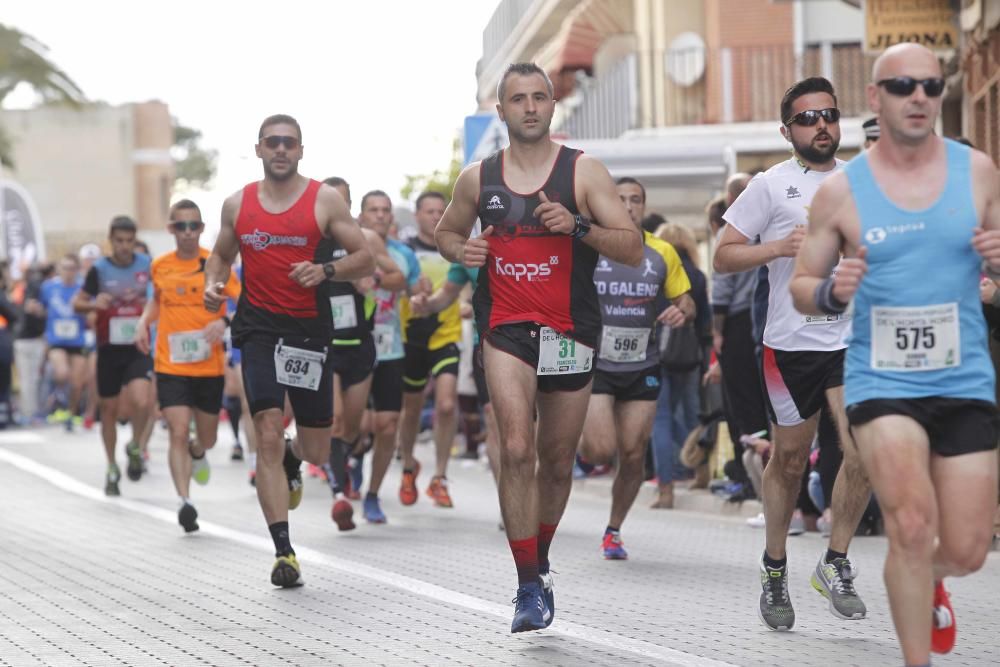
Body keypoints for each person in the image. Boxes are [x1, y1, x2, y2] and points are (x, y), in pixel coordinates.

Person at [790, 43, 1000, 665]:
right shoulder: (841, 192)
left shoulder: (979, 172)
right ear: (876, 97)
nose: (919, 97)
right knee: (908, 524)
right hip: (881, 379)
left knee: (967, 548)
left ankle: (930, 577)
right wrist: (830, 290)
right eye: (904, 85)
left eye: (932, 87)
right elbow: (803, 285)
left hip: (962, 378)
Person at [434, 62, 643, 633]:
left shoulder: (584, 172)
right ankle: (527, 584)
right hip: (505, 325)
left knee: (556, 460)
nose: (529, 107)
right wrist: (462, 250)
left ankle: (540, 559)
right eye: (517, 99)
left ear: (553, 107)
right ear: (500, 111)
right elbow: (446, 233)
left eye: (538, 97)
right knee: (517, 446)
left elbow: (632, 246)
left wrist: (577, 227)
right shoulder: (479, 179)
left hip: (571, 330)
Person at [714, 76, 871, 631]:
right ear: (787, 131)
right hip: (791, 344)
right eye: (807, 118)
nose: (821, 125)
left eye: (828, 114)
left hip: (852, 339)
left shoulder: (861, 179)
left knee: (865, 450)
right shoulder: (769, 186)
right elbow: (722, 257)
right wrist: (776, 247)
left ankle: (836, 561)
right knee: (787, 458)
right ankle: (775, 568)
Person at [204, 114, 374, 587]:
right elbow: (219, 255)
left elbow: (364, 257)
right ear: (258, 149)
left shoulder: (324, 199)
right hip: (257, 329)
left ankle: (298, 461)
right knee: (267, 433)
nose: (281, 150)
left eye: (289, 143)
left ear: (301, 150)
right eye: (272, 142)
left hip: (308, 332)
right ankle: (284, 551)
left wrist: (325, 273)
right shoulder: (238, 204)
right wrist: (213, 285)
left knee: (318, 444)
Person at [578, 177, 693, 559]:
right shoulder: (587, 247)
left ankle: (613, 530)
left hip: (642, 362)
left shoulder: (661, 252)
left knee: (632, 454)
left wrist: (682, 310)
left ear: (644, 206)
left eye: (635, 200)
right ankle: (566, 435)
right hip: (595, 364)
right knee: (599, 450)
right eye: (619, 199)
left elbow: (686, 300)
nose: (628, 206)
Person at [135, 199, 241, 533]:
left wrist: (224, 322)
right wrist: (143, 322)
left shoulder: (215, 264)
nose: (187, 232)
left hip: (209, 367)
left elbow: (246, 303)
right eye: (180, 226)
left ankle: (199, 451)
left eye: (193, 225)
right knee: (178, 432)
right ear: (171, 230)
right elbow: (157, 300)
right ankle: (185, 502)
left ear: (201, 228)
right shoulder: (160, 265)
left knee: (205, 439)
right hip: (171, 364)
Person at [320, 177, 404, 531]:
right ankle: (340, 496)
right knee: (336, 421)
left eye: (341, 202)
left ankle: (347, 469)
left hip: (361, 344)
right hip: (324, 344)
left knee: (354, 429)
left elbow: (397, 276)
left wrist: (373, 281)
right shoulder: (309, 241)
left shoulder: (365, 240)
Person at [356, 189, 424, 523]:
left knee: (387, 425)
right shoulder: (350, 246)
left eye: (385, 210)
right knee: (356, 425)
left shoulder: (403, 254)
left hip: (391, 347)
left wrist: (422, 295)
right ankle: (353, 459)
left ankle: (372, 493)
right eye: (373, 210)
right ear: (361, 215)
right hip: (352, 346)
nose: (381, 215)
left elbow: (415, 291)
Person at [73, 216, 154, 496]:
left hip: (137, 346)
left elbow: (158, 299)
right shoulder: (99, 269)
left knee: (142, 400)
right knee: (107, 410)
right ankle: (111, 465)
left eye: (129, 241)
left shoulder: (147, 266)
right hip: (108, 348)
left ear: (134, 240)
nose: (124, 246)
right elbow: (78, 302)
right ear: (111, 240)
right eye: (119, 241)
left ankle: (135, 446)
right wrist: (95, 303)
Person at [397, 190, 462, 508]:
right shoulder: (405, 250)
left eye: (441, 211)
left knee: (447, 405)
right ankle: (408, 465)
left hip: (446, 334)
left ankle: (440, 477)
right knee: (410, 408)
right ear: (418, 215)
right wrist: (410, 295)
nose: (436, 216)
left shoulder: (454, 247)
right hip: (411, 337)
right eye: (430, 211)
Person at [653, 221, 711, 507]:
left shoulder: (657, 269)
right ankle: (701, 472)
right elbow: (705, 323)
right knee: (691, 416)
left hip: (659, 355)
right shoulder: (699, 276)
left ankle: (666, 489)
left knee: (660, 419)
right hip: (690, 357)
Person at [37, 254, 88, 430]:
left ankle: (71, 413)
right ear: (59, 269)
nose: (68, 272)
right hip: (56, 339)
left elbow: (91, 311)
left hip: (77, 340)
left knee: (77, 383)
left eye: (72, 268)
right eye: (65, 268)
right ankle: (57, 400)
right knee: (61, 373)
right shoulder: (49, 287)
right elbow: (42, 309)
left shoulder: (83, 288)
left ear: (77, 270)